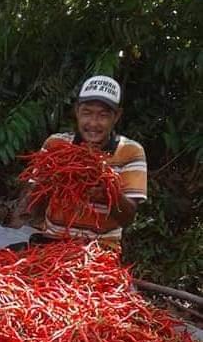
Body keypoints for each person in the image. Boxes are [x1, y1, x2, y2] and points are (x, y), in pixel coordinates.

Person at [12, 75, 147, 249]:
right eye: (87, 113)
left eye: (103, 115)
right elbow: (31, 202)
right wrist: (48, 185)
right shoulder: (55, 145)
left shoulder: (131, 151)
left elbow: (128, 218)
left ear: (117, 116)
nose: (93, 123)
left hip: (99, 248)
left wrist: (109, 193)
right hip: (52, 244)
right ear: (76, 111)